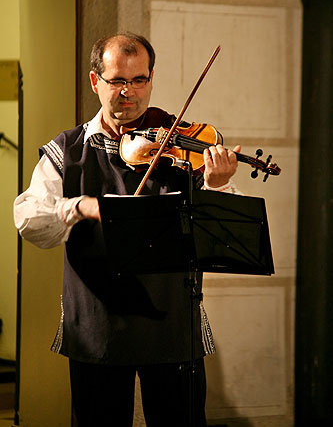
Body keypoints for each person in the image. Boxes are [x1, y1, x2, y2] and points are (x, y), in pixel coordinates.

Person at [14, 32, 241, 427]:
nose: (129, 93)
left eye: (139, 80)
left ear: (151, 80)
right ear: (95, 81)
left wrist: (218, 184)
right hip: (97, 327)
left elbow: (226, 232)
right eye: (118, 80)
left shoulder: (179, 145)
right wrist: (80, 206)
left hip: (173, 324)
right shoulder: (67, 151)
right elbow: (30, 221)